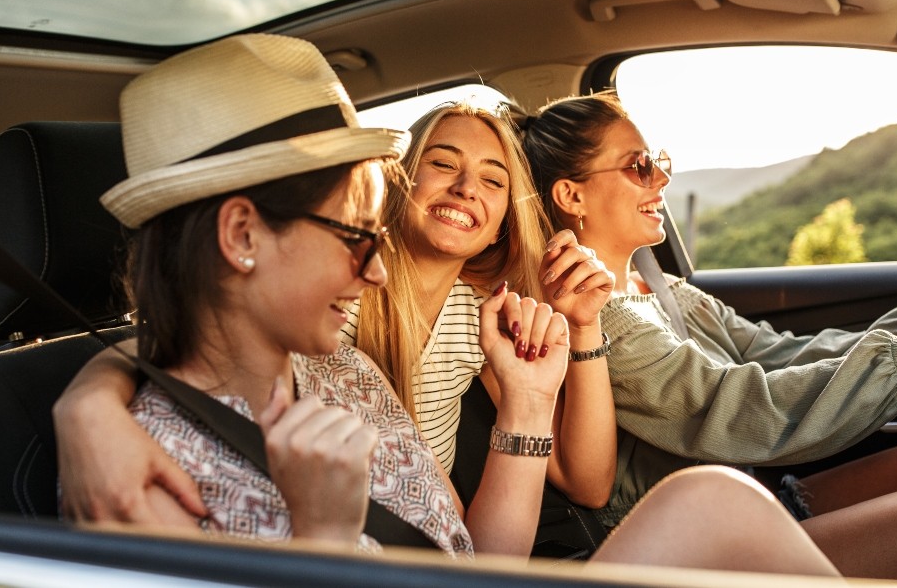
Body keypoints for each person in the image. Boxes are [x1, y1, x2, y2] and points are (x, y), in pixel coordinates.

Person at [64, 31, 846, 575]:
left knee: (716, 503)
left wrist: (529, 406)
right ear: (241, 234)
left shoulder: (341, 371)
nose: (372, 272)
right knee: (715, 505)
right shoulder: (139, 477)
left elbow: (472, 559)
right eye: (354, 236)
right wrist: (325, 539)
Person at [521, 90, 897, 581]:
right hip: (694, 547)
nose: (660, 179)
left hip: (759, 497)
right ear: (572, 195)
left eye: (657, 162)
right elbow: (729, 404)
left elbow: (777, 353)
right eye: (639, 167)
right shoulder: (600, 325)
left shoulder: (662, 289)